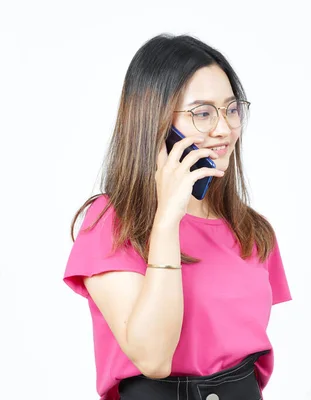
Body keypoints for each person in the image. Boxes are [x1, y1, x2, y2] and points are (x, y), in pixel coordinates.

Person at [62, 33, 292, 400]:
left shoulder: (251, 229)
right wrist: (167, 220)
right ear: (155, 122)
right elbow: (153, 359)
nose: (224, 128)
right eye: (202, 113)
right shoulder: (110, 223)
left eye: (232, 108)